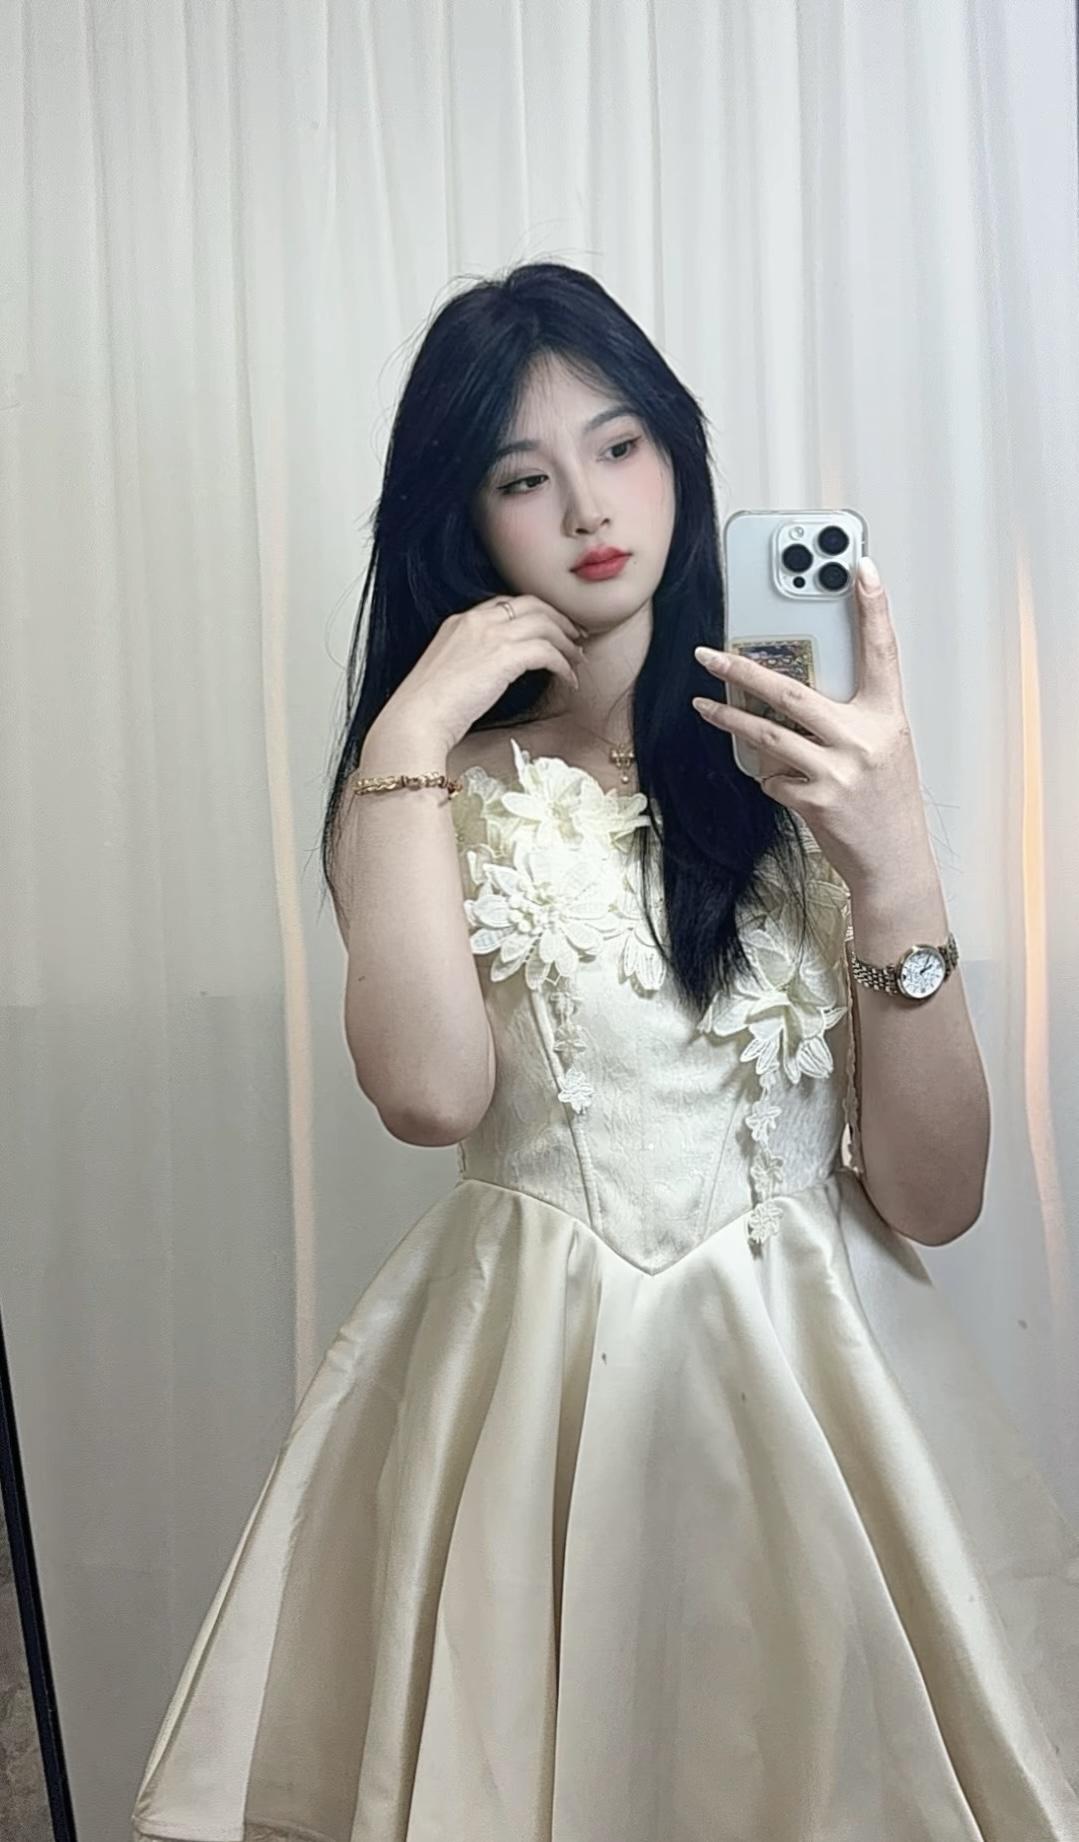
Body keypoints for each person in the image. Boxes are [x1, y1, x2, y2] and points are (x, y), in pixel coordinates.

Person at [132, 262, 1079, 1842]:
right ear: (465, 517)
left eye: (621, 444)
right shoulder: (427, 786)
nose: (588, 504)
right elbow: (427, 1092)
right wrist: (407, 735)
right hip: (530, 1395)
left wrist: (897, 856)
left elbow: (936, 1194)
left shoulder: (810, 765)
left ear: (678, 454)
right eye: (524, 476)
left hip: (817, 1391)